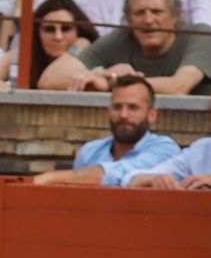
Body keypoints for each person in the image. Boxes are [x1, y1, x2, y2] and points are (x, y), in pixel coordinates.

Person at [38, 0, 211, 95]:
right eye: (139, 13)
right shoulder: (121, 38)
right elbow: (48, 81)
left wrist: (113, 84)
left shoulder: (199, 34)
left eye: (156, 11)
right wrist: (98, 71)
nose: (148, 20)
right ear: (128, 19)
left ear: (175, 15)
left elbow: (178, 87)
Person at [34, 74, 180, 185]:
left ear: (152, 115)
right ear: (108, 111)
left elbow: (121, 173)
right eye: (117, 107)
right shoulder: (89, 152)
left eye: (133, 108)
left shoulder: (166, 149)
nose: (123, 115)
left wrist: (50, 177)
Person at [0, 0, 97, 89]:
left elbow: (49, 82)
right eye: (49, 29)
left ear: (79, 31)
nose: (58, 36)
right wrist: (15, 95)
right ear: (37, 33)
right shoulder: (26, 53)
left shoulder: (93, 53)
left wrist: (76, 50)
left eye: (66, 28)